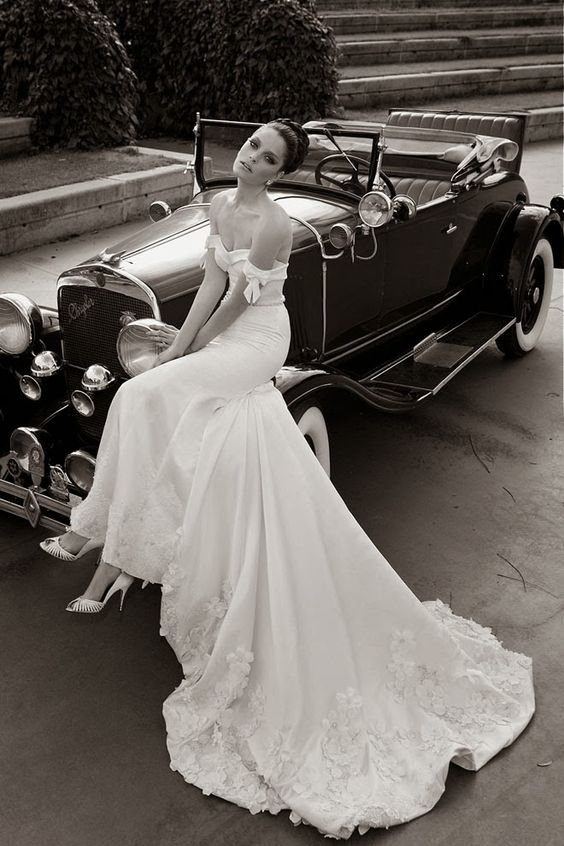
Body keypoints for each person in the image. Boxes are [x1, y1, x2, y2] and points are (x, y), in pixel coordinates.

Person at [40, 118, 534, 839]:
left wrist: (186, 356)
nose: (252, 159)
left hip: (259, 340)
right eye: (250, 147)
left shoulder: (274, 225)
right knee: (145, 396)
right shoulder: (219, 204)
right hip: (219, 332)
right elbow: (210, 283)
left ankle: (100, 536)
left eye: (267, 157)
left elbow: (240, 302)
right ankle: (114, 537)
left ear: (279, 172)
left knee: (144, 397)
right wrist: (175, 349)